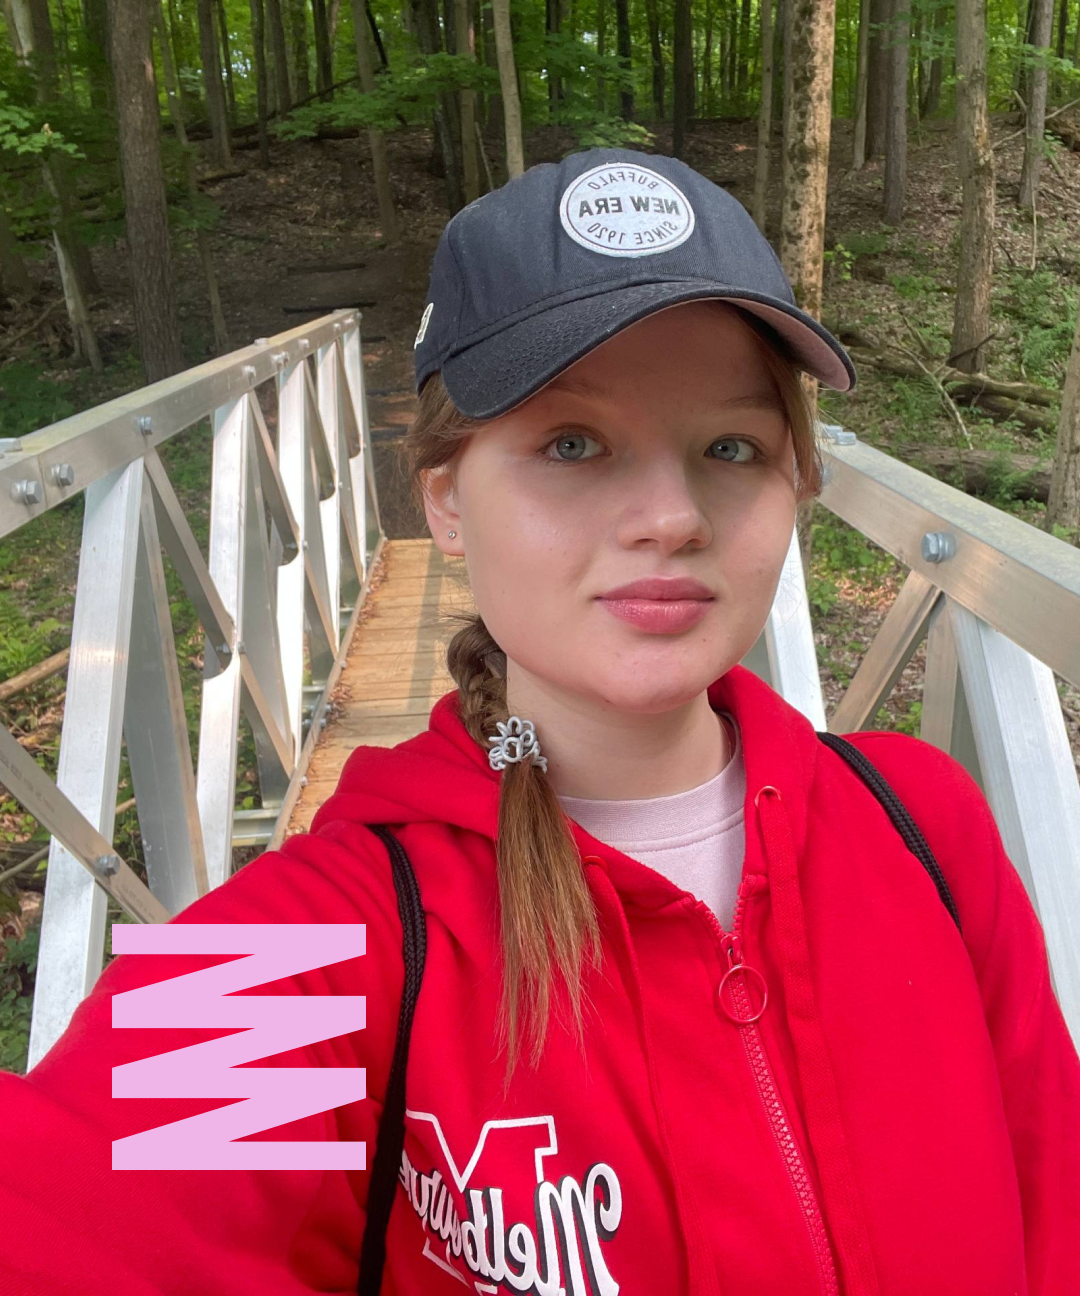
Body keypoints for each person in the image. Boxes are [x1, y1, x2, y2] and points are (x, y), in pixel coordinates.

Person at [1, 147, 1077, 1296]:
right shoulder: (321, 944)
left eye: (732, 448)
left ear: (793, 487)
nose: (670, 517)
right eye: (573, 445)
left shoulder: (924, 824)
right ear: (446, 503)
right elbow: (68, 1216)